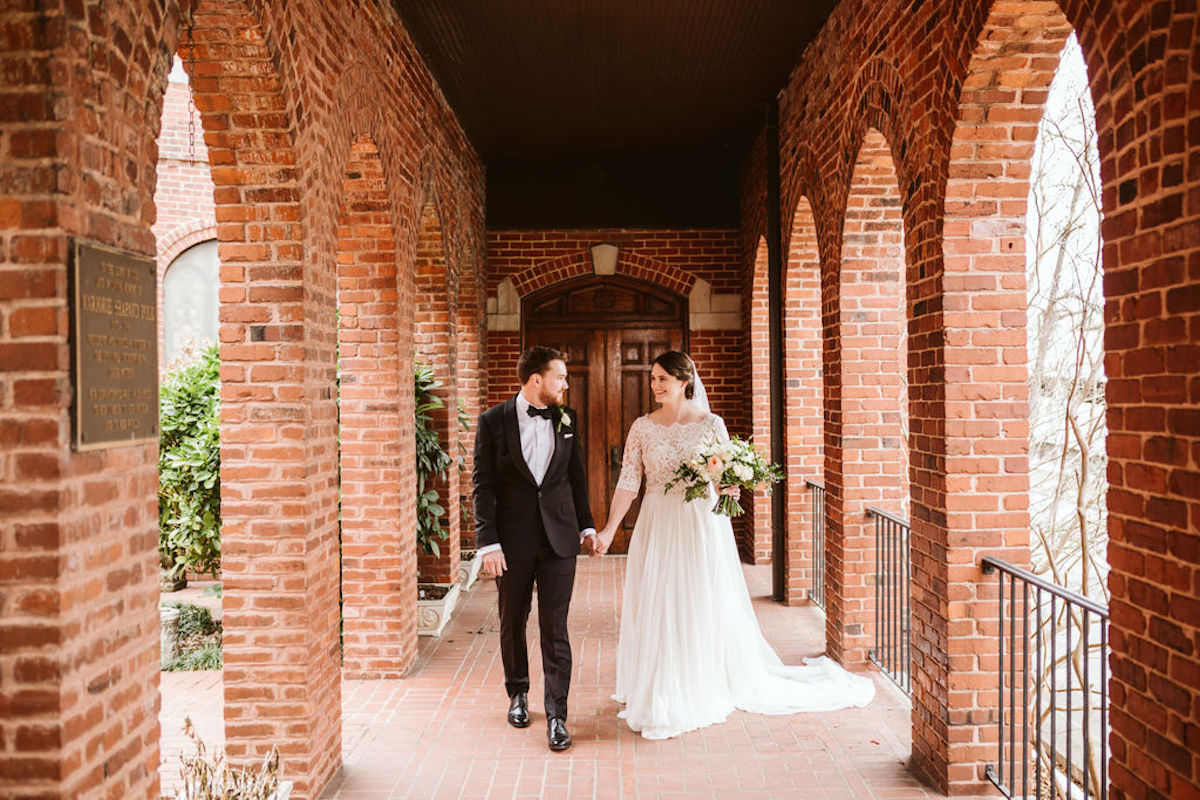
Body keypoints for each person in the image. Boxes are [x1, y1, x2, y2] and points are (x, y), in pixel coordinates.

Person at [592, 351, 875, 739]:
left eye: (662, 379)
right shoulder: (642, 427)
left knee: (697, 598)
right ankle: (660, 683)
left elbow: (724, 477)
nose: (655, 386)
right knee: (658, 599)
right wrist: (609, 530)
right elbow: (629, 482)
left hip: (698, 522)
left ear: (685, 380)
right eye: (653, 379)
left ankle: (698, 680)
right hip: (656, 521)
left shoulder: (712, 423)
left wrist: (730, 485)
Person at [472, 346, 596, 751]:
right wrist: (488, 542)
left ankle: (557, 714)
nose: (565, 383)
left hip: (560, 538)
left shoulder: (567, 418)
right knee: (512, 619)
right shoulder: (493, 421)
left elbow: (576, 477)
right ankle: (518, 693)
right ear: (535, 379)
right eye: (560, 376)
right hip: (511, 541)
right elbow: (482, 486)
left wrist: (587, 525)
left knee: (555, 626)